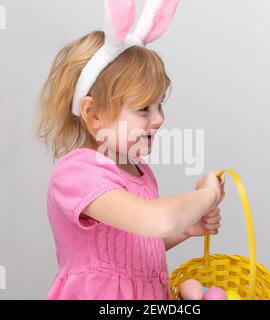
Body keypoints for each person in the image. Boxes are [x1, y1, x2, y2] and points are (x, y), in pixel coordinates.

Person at [34, 0, 225, 300]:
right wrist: (207, 196)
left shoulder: (140, 172)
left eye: (160, 104)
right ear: (94, 113)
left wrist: (186, 230)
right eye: (143, 108)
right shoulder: (77, 173)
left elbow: (132, 249)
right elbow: (155, 220)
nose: (159, 118)